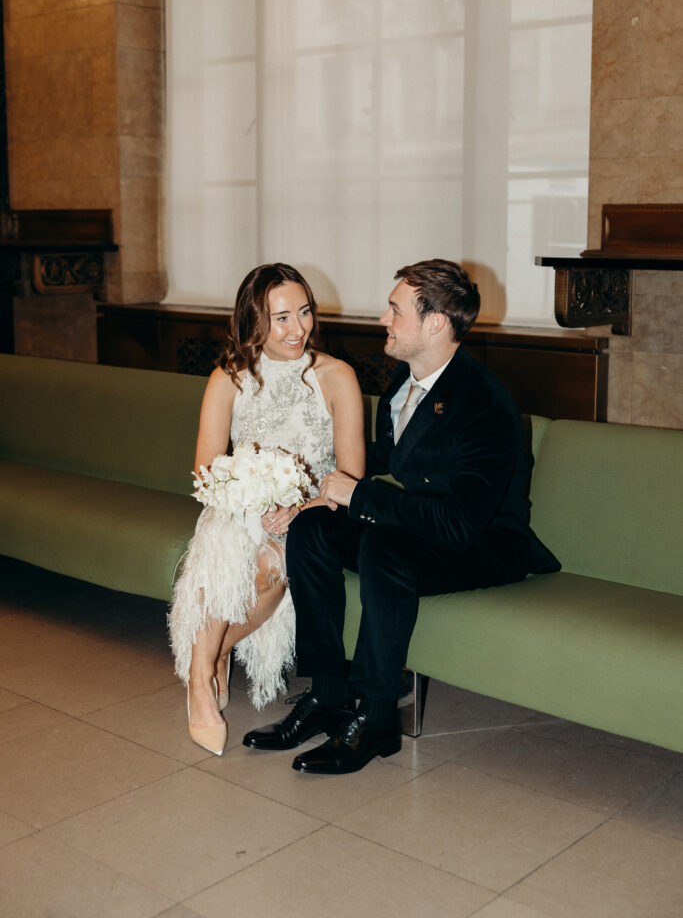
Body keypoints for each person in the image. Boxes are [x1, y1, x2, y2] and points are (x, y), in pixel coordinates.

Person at [243, 258, 560, 774]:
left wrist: (360, 496)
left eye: (395, 310)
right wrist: (307, 478)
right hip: (425, 529)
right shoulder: (405, 378)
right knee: (313, 528)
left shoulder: (485, 406)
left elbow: (457, 525)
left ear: (435, 323)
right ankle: (328, 695)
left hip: (486, 545)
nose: (383, 319)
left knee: (385, 544)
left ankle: (375, 717)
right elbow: (392, 457)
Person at [169, 263, 365, 757]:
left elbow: (351, 478)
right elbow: (205, 471)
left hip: (313, 513)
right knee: (234, 546)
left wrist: (303, 507)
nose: (297, 329)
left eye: (304, 313)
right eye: (281, 318)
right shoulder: (228, 378)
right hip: (238, 507)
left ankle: (208, 660)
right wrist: (249, 498)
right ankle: (201, 676)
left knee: (270, 565)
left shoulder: (337, 376)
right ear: (253, 321)